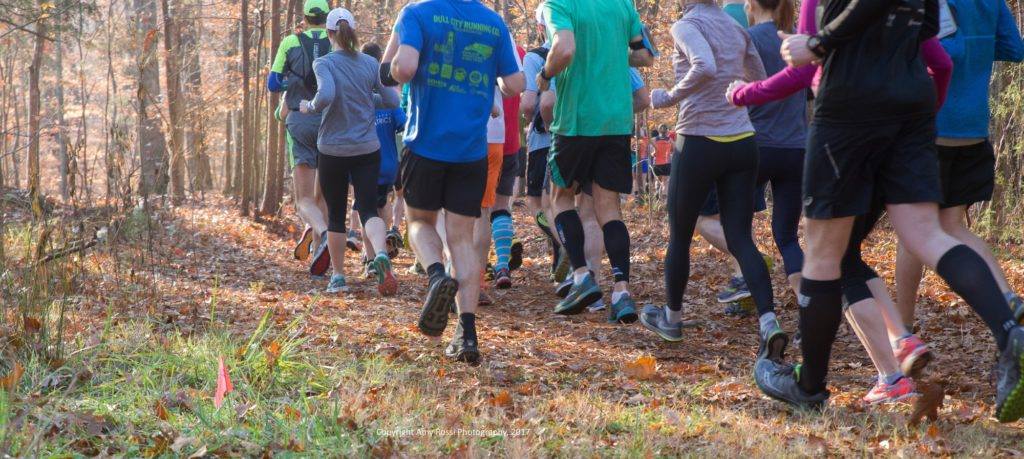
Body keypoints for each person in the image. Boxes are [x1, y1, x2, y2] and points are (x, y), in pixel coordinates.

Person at [757, 0, 1024, 423]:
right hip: (911, 97)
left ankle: (809, 385)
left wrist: (818, 44)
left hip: (851, 101)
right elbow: (930, 26)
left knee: (824, 253)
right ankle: (1010, 333)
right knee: (928, 233)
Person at [729, 0, 949, 401]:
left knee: (831, 260)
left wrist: (744, 93)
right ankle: (901, 338)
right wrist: (922, 117)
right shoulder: (905, 17)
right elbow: (941, 62)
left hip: (838, 143)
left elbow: (804, 72)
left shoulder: (817, 10)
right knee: (844, 254)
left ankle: (886, 373)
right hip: (889, 144)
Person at [639, 0, 784, 363]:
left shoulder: (686, 25)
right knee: (740, 238)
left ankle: (672, 319)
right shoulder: (736, 27)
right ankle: (769, 323)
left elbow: (704, 65)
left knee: (681, 234)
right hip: (742, 141)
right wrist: (734, 99)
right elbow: (759, 77)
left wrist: (668, 97)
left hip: (699, 140)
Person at [381, 0, 524, 365]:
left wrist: (392, 68)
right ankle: (468, 334)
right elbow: (515, 84)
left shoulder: (417, 13)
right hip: (472, 151)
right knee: (461, 239)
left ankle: (435, 276)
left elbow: (404, 68)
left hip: (425, 145)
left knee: (419, 222)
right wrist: (484, 83)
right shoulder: (493, 23)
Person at [894, 0, 1024, 328]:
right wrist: (980, 50)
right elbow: (1015, 48)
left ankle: (904, 333)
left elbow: (948, 52)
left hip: (934, 127)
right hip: (973, 131)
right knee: (952, 227)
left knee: (912, 233)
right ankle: (1006, 297)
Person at [538, 0, 654, 322]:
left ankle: (581, 277)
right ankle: (621, 292)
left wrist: (545, 74)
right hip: (616, 121)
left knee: (560, 199)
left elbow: (564, 49)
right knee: (609, 208)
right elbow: (645, 55)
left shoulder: (557, 4)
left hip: (576, 120)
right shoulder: (622, 5)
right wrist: (612, 53)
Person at [299, 8, 400, 295]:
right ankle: (380, 254)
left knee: (335, 215)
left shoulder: (324, 63)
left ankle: (339, 277)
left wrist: (310, 106)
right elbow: (392, 100)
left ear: (329, 33)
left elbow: (327, 94)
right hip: (367, 149)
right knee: (368, 208)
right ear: (353, 31)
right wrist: (367, 100)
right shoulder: (370, 63)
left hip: (333, 149)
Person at [267, 0, 332, 275]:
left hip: (300, 121)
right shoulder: (336, 42)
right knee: (323, 199)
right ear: (327, 18)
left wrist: (291, 83)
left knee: (304, 200)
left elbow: (272, 83)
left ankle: (324, 233)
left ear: (304, 18)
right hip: (331, 123)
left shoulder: (290, 43)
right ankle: (320, 260)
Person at [521, 3, 570, 284]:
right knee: (567, 201)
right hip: (576, 134)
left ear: (541, 27)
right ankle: (563, 256)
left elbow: (529, 104)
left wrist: (527, 117)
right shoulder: (576, 50)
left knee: (537, 202)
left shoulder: (535, 57)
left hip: (542, 138)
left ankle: (565, 243)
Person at [358, 42, 407, 280]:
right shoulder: (388, 94)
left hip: (363, 162)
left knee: (365, 210)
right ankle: (384, 244)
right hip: (388, 163)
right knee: (383, 202)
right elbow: (403, 123)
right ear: (380, 60)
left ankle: (371, 258)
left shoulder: (358, 92)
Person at [491, 43, 528, 290]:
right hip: (511, 141)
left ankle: (477, 267)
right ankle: (503, 265)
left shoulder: (481, 41)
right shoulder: (521, 53)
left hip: (481, 140)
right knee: (502, 205)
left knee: (477, 210)